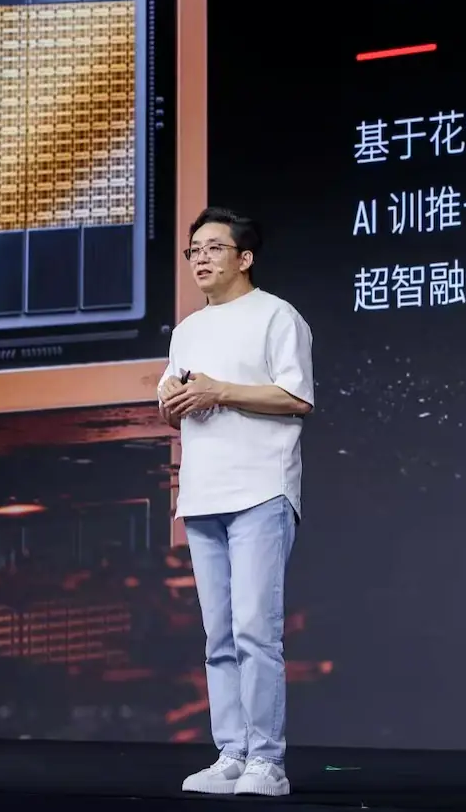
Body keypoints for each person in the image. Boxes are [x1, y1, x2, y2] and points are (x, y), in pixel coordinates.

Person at [158, 207, 315, 798]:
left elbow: (297, 397)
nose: (200, 258)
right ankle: (231, 753)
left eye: (213, 248)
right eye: (193, 250)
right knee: (218, 636)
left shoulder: (277, 316)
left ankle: (267, 762)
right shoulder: (187, 330)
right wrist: (172, 402)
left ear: (244, 258)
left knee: (255, 631)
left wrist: (219, 390)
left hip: (261, 490)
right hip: (202, 493)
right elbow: (175, 406)